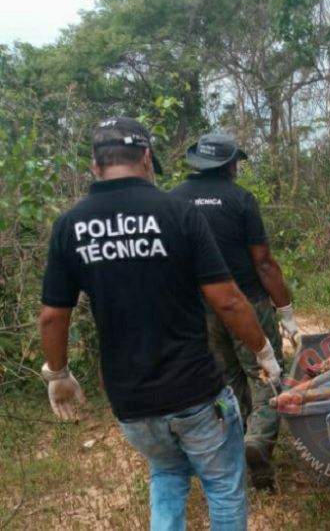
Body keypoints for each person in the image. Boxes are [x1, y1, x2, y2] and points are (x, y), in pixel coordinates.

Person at [39, 117, 281, 531]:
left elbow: (52, 315)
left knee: (167, 474)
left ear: (95, 166)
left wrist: (58, 374)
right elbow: (227, 300)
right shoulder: (177, 214)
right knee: (223, 487)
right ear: (147, 158)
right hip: (196, 393)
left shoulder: (70, 227)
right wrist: (264, 351)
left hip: (132, 402)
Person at [170, 133, 298, 491]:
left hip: (199, 312)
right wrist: (286, 312)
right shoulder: (241, 199)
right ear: (229, 165)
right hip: (248, 305)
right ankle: (257, 443)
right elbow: (264, 264)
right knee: (269, 374)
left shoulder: (172, 201)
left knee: (226, 384)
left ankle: (242, 456)